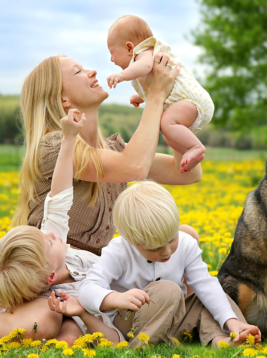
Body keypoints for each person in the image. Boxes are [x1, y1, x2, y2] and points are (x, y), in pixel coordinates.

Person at [12, 52, 202, 256]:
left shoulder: (114, 151)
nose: (92, 71)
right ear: (61, 99)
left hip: (97, 266)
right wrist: (156, 95)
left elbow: (187, 173)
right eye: (78, 72)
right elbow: (134, 167)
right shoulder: (56, 147)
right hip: (54, 264)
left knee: (186, 236)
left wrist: (171, 116)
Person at [79, 181, 261, 348]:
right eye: (155, 247)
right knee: (170, 289)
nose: (166, 251)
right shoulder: (119, 250)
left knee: (208, 294)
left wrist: (230, 319)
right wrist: (116, 298)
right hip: (132, 326)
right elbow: (87, 289)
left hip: (174, 321)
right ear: (131, 241)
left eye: (171, 239)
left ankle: (224, 339)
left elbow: (205, 285)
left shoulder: (185, 244)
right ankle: (140, 347)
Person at [0, 112, 122, 344]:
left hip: (50, 301)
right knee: (64, 331)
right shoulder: (74, 291)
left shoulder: (55, 250)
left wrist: (68, 139)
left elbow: (59, 197)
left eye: (42, 233)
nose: (51, 233)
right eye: (48, 241)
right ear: (51, 276)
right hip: (74, 307)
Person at [106, 15, 214, 173]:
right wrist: (141, 97)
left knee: (166, 123)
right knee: (169, 134)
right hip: (184, 103)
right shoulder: (145, 59)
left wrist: (121, 76)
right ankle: (190, 155)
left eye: (112, 52)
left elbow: (144, 66)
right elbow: (158, 88)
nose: (111, 59)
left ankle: (195, 147)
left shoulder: (143, 53)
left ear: (130, 48)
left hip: (192, 101)